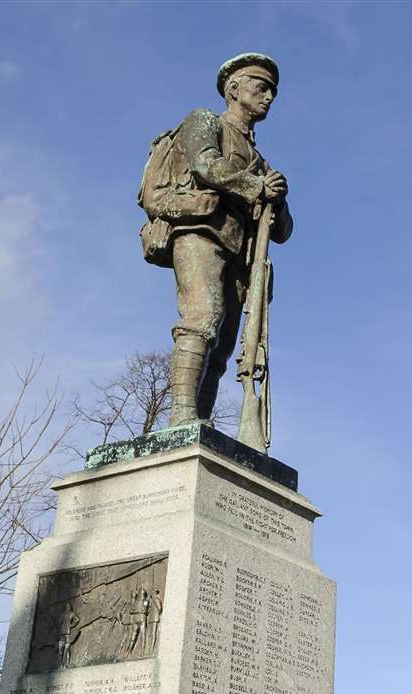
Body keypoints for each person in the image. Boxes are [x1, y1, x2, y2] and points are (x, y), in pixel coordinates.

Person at [144, 53, 294, 426]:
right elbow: (206, 165)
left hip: (238, 253)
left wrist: (279, 197)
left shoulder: (261, 161)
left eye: (272, 91)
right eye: (260, 87)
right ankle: (181, 415)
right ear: (233, 89)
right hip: (201, 231)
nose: (268, 96)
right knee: (201, 319)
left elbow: (283, 231)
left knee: (226, 344)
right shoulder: (204, 121)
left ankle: (202, 420)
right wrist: (256, 186)